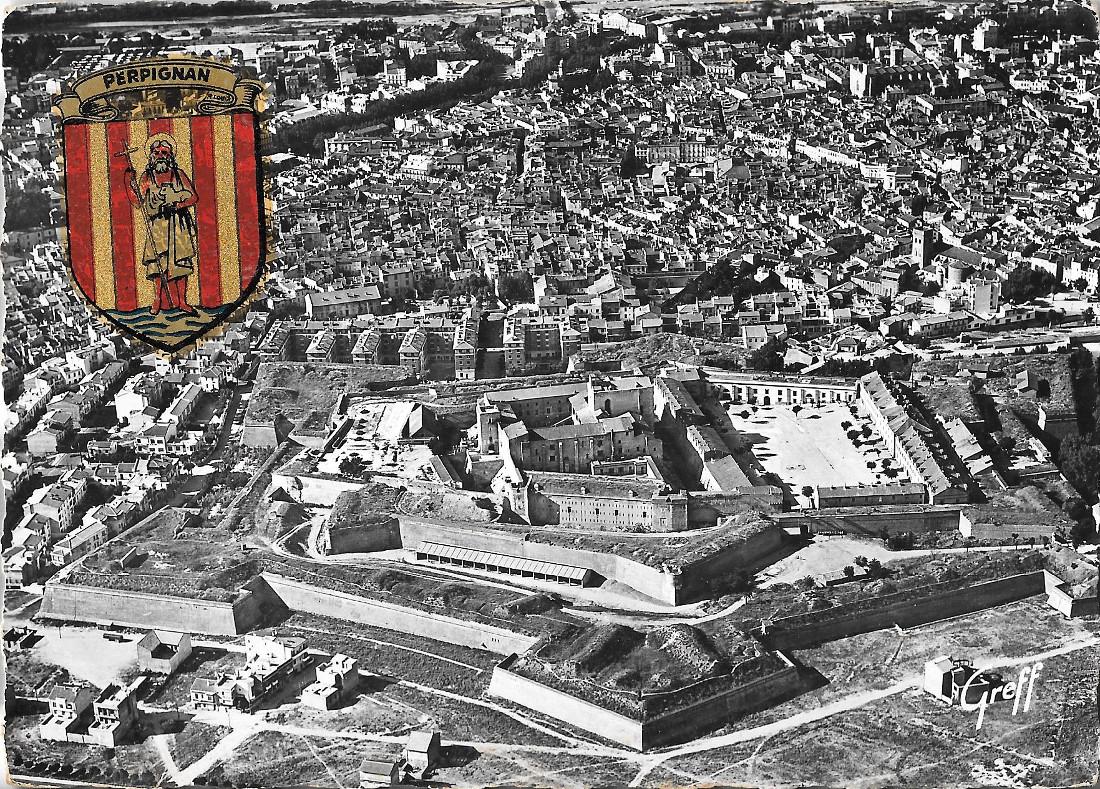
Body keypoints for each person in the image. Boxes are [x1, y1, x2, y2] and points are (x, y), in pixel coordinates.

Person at [125, 133, 199, 315]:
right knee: (159, 265)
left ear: (170, 155)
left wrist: (178, 203)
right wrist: (128, 184)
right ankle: (157, 300)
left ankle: (182, 302)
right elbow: (137, 202)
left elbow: (194, 197)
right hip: (158, 225)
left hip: (178, 224)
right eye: (157, 152)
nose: (160, 156)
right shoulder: (147, 177)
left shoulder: (179, 175)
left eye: (164, 152)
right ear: (151, 155)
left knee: (181, 264)